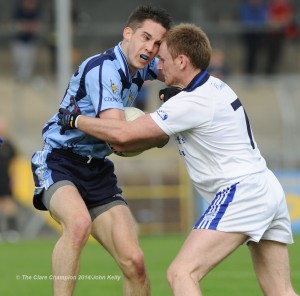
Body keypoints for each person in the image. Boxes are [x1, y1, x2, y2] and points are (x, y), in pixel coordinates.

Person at [58, 23, 299, 296]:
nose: (158, 67)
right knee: (281, 291)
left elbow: (123, 135)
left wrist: (75, 119)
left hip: (242, 192)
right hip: (267, 188)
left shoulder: (189, 103)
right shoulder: (214, 86)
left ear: (183, 61)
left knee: (181, 273)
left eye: (164, 60)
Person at [31, 5, 172, 296]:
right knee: (79, 223)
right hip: (60, 160)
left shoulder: (141, 67)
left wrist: (185, 90)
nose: (150, 47)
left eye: (157, 43)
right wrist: (158, 135)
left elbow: (178, 66)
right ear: (128, 33)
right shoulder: (104, 68)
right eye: (145, 37)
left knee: (135, 262)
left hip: (96, 168)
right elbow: (119, 139)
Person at [11, 0, 41, 82]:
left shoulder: (35, 13)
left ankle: (26, 79)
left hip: (31, 41)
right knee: (19, 60)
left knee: (29, 62)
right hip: (19, 41)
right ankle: (19, 78)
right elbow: (18, 26)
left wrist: (26, 26)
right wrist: (28, 26)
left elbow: (36, 27)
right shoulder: (19, 11)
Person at [0, 118, 19, 242]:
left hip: (5, 179)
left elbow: (14, 164)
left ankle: (12, 231)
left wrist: (15, 179)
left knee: (9, 205)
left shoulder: (9, 146)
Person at [240, 0, 267, 74]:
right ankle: (249, 72)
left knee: (260, 52)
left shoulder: (262, 8)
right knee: (251, 53)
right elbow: (246, 20)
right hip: (249, 34)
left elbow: (263, 20)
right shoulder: (245, 8)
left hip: (259, 34)